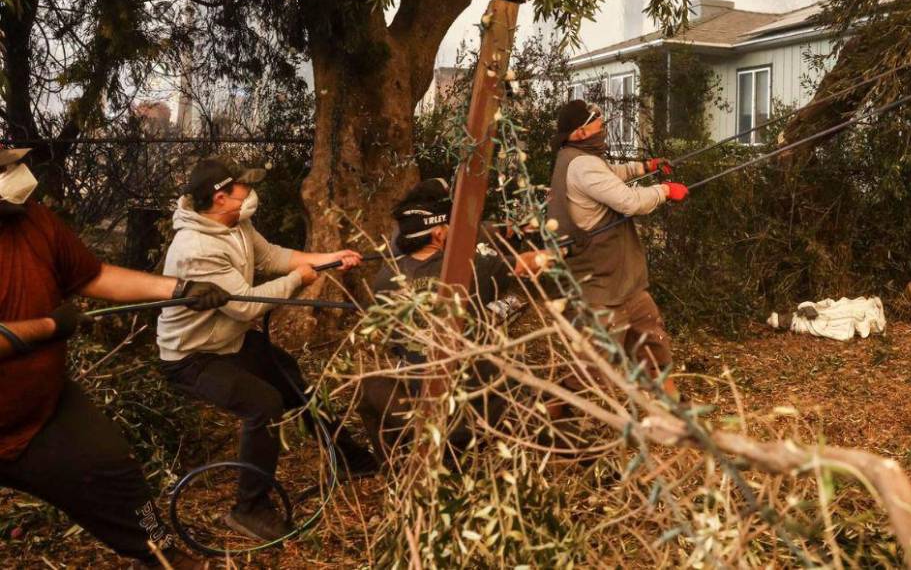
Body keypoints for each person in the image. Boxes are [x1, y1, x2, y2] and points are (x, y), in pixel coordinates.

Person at [0, 146, 228, 569]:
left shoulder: (33, 219)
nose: (16, 174)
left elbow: (95, 275)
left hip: (43, 413)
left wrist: (179, 290)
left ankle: (160, 553)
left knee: (115, 471)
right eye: (3, 169)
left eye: (12, 163)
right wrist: (50, 327)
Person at [156, 155, 372, 543]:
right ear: (220, 197)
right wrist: (296, 282)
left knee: (290, 376)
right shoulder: (195, 248)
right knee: (263, 404)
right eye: (243, 187)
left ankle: (345, 454)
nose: (250, 192)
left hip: (228, 339)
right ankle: (249, 509)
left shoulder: (235, 223)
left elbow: (271, 255)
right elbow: (244, 305)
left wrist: (328, 259)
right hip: (192, 357)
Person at [359, 178, 546, 457]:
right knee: (523, 374)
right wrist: (553, 252)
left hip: (419, 405)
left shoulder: (383, 279)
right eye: (450, 227)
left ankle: (394, 467)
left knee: (370, 387)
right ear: (438, 234)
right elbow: (526, 263)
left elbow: (392, 341)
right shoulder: (472, 267)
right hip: (469, 409)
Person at [546, 100, 687, 398]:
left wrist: (645, 167)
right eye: (597, 121)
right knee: (595, 367)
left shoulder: (577, 158)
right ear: (581, 133)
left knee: (653, 337)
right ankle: (556, 412)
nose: (603, 126)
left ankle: (669, 400)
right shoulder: (583, 165)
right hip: (599, 283)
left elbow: (609, 174)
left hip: (622, 281)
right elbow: (629, 202)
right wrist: (665, 191)